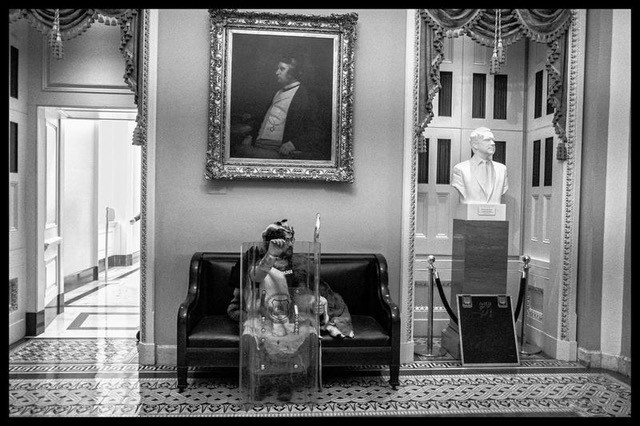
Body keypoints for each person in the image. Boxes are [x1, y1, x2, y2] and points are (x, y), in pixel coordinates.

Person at [232, 55, 325, 160]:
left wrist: (293, 144)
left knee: (238, 151)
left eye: (282, 69)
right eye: (278, 68)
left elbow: (317, 132)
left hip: (277, 150)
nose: (277, 72)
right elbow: (264, 119)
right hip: (258, 144)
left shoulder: (306, 96)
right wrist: (251, 136)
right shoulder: (277, 92)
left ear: (294, 73)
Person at [451, 127, 509, 204]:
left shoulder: (501, 169)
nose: (493, 143)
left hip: (495, 213)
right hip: (471, 213)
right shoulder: (460, 169)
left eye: (493, 140)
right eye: (487, 140)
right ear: (475, 145)